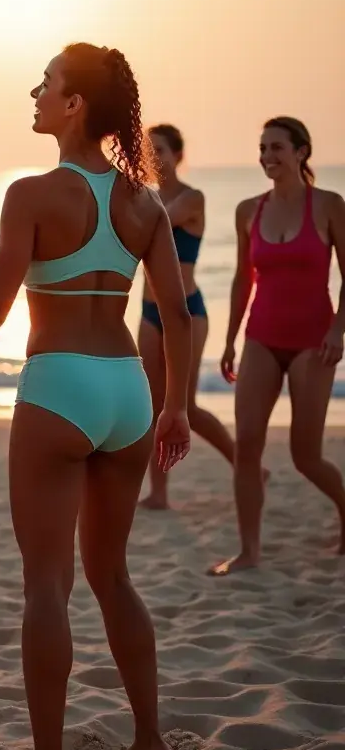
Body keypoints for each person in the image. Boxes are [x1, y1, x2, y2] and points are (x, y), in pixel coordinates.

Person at [0, 44, 192, 750]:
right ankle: (148, 736)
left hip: (59, 384)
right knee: (112, 575)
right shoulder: (144, 201)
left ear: (74, 105)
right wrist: (176, 405)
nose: (35, 93)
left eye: (46, 83)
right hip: (128, 390)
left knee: (47, 587)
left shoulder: (30, 194)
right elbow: (174, 315)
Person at [212, 116, 345, 575]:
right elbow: (241, 279)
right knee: (247, 443)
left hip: (314, 340)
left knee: (304, 456)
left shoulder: (329, 205)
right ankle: (249, 551)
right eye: (263, 148)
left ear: (302, 152)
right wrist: (229, 339)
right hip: (261, 337)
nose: (267, 156)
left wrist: (337, 331)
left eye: (277, 148)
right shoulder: (249, 210)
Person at [138, 124, 241, 510]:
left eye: (161, 150)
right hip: (150, 313)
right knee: (152, 405)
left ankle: (244, 465)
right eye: (148, 150)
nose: (154, 157)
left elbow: (155, 222)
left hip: (188, 311)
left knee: (187, 407)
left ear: (179, 156)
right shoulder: (143, 198)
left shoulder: (190, 198)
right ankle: (158, 493)